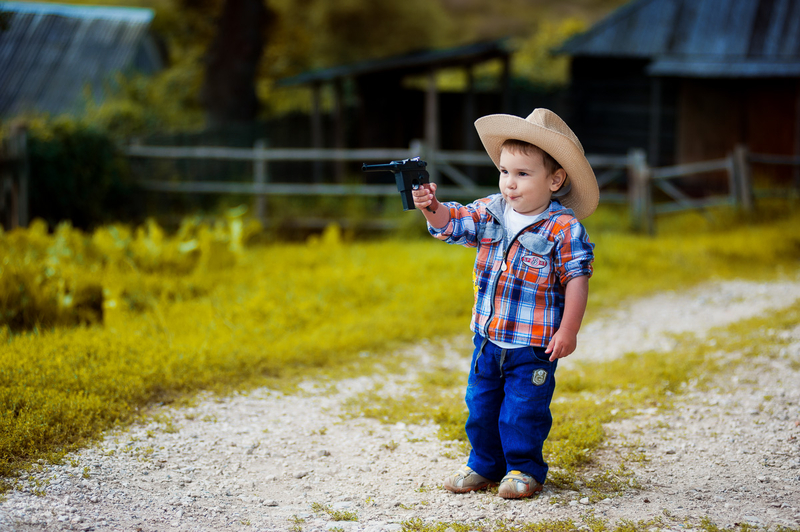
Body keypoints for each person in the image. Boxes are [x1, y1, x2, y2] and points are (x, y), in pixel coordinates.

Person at [411, 108, 598, 499]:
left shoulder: (564, 228)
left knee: (523, 410)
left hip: (533, 345)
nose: (510, 183)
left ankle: (523, 469)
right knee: (480, 405)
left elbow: (576, 279)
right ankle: (484, 464)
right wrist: (431, 206)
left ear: (555, 179)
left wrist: (568, 330)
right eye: (504, 171)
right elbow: (454, 222)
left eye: (523, 174)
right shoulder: (491, 211)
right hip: (488, 339)